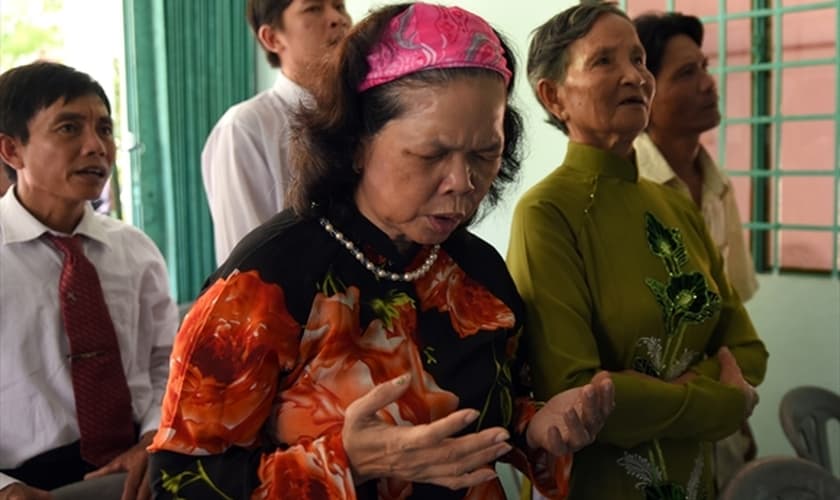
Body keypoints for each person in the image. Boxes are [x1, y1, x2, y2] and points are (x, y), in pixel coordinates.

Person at [148, 3, 615, 499]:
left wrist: (540, 424)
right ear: (356, 143)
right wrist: (347, 463)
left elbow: (497, 408)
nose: (463, 183)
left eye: (485, 153)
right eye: (430, 154)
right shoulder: (267, 282)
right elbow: (177, 482)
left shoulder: (477, 272)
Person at [506, 2, 768, 499]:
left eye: (640, 59)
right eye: (604, 61)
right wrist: (722, 402)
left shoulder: (675, 206)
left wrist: (647, 392)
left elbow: (749, 350)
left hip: (696, 479)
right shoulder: (545, 213)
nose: (634, 76)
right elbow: (580, 395)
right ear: (553, 96)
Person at [0, 61, 179, 500]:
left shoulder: (133, 251)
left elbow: (168, 362)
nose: (95, 146)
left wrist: (152, 439)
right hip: (28, 482)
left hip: (139, 471)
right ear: (11, 150)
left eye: (104, 128)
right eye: (68, 129)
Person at [632, 12, 761, 491]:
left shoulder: (716, 184)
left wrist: (738, 407)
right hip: (649, 415)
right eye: (686, 74)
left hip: (715, 409)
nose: (710, 84)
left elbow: (735, 317)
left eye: (704, 67)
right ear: (644, 90)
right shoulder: (632, 187)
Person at [202, 0, 352, 265]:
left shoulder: (363, 113)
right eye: (313, 8)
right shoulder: (245, 129)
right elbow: (250, 270)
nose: (337, 19)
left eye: (339, 6)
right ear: (272, 38)